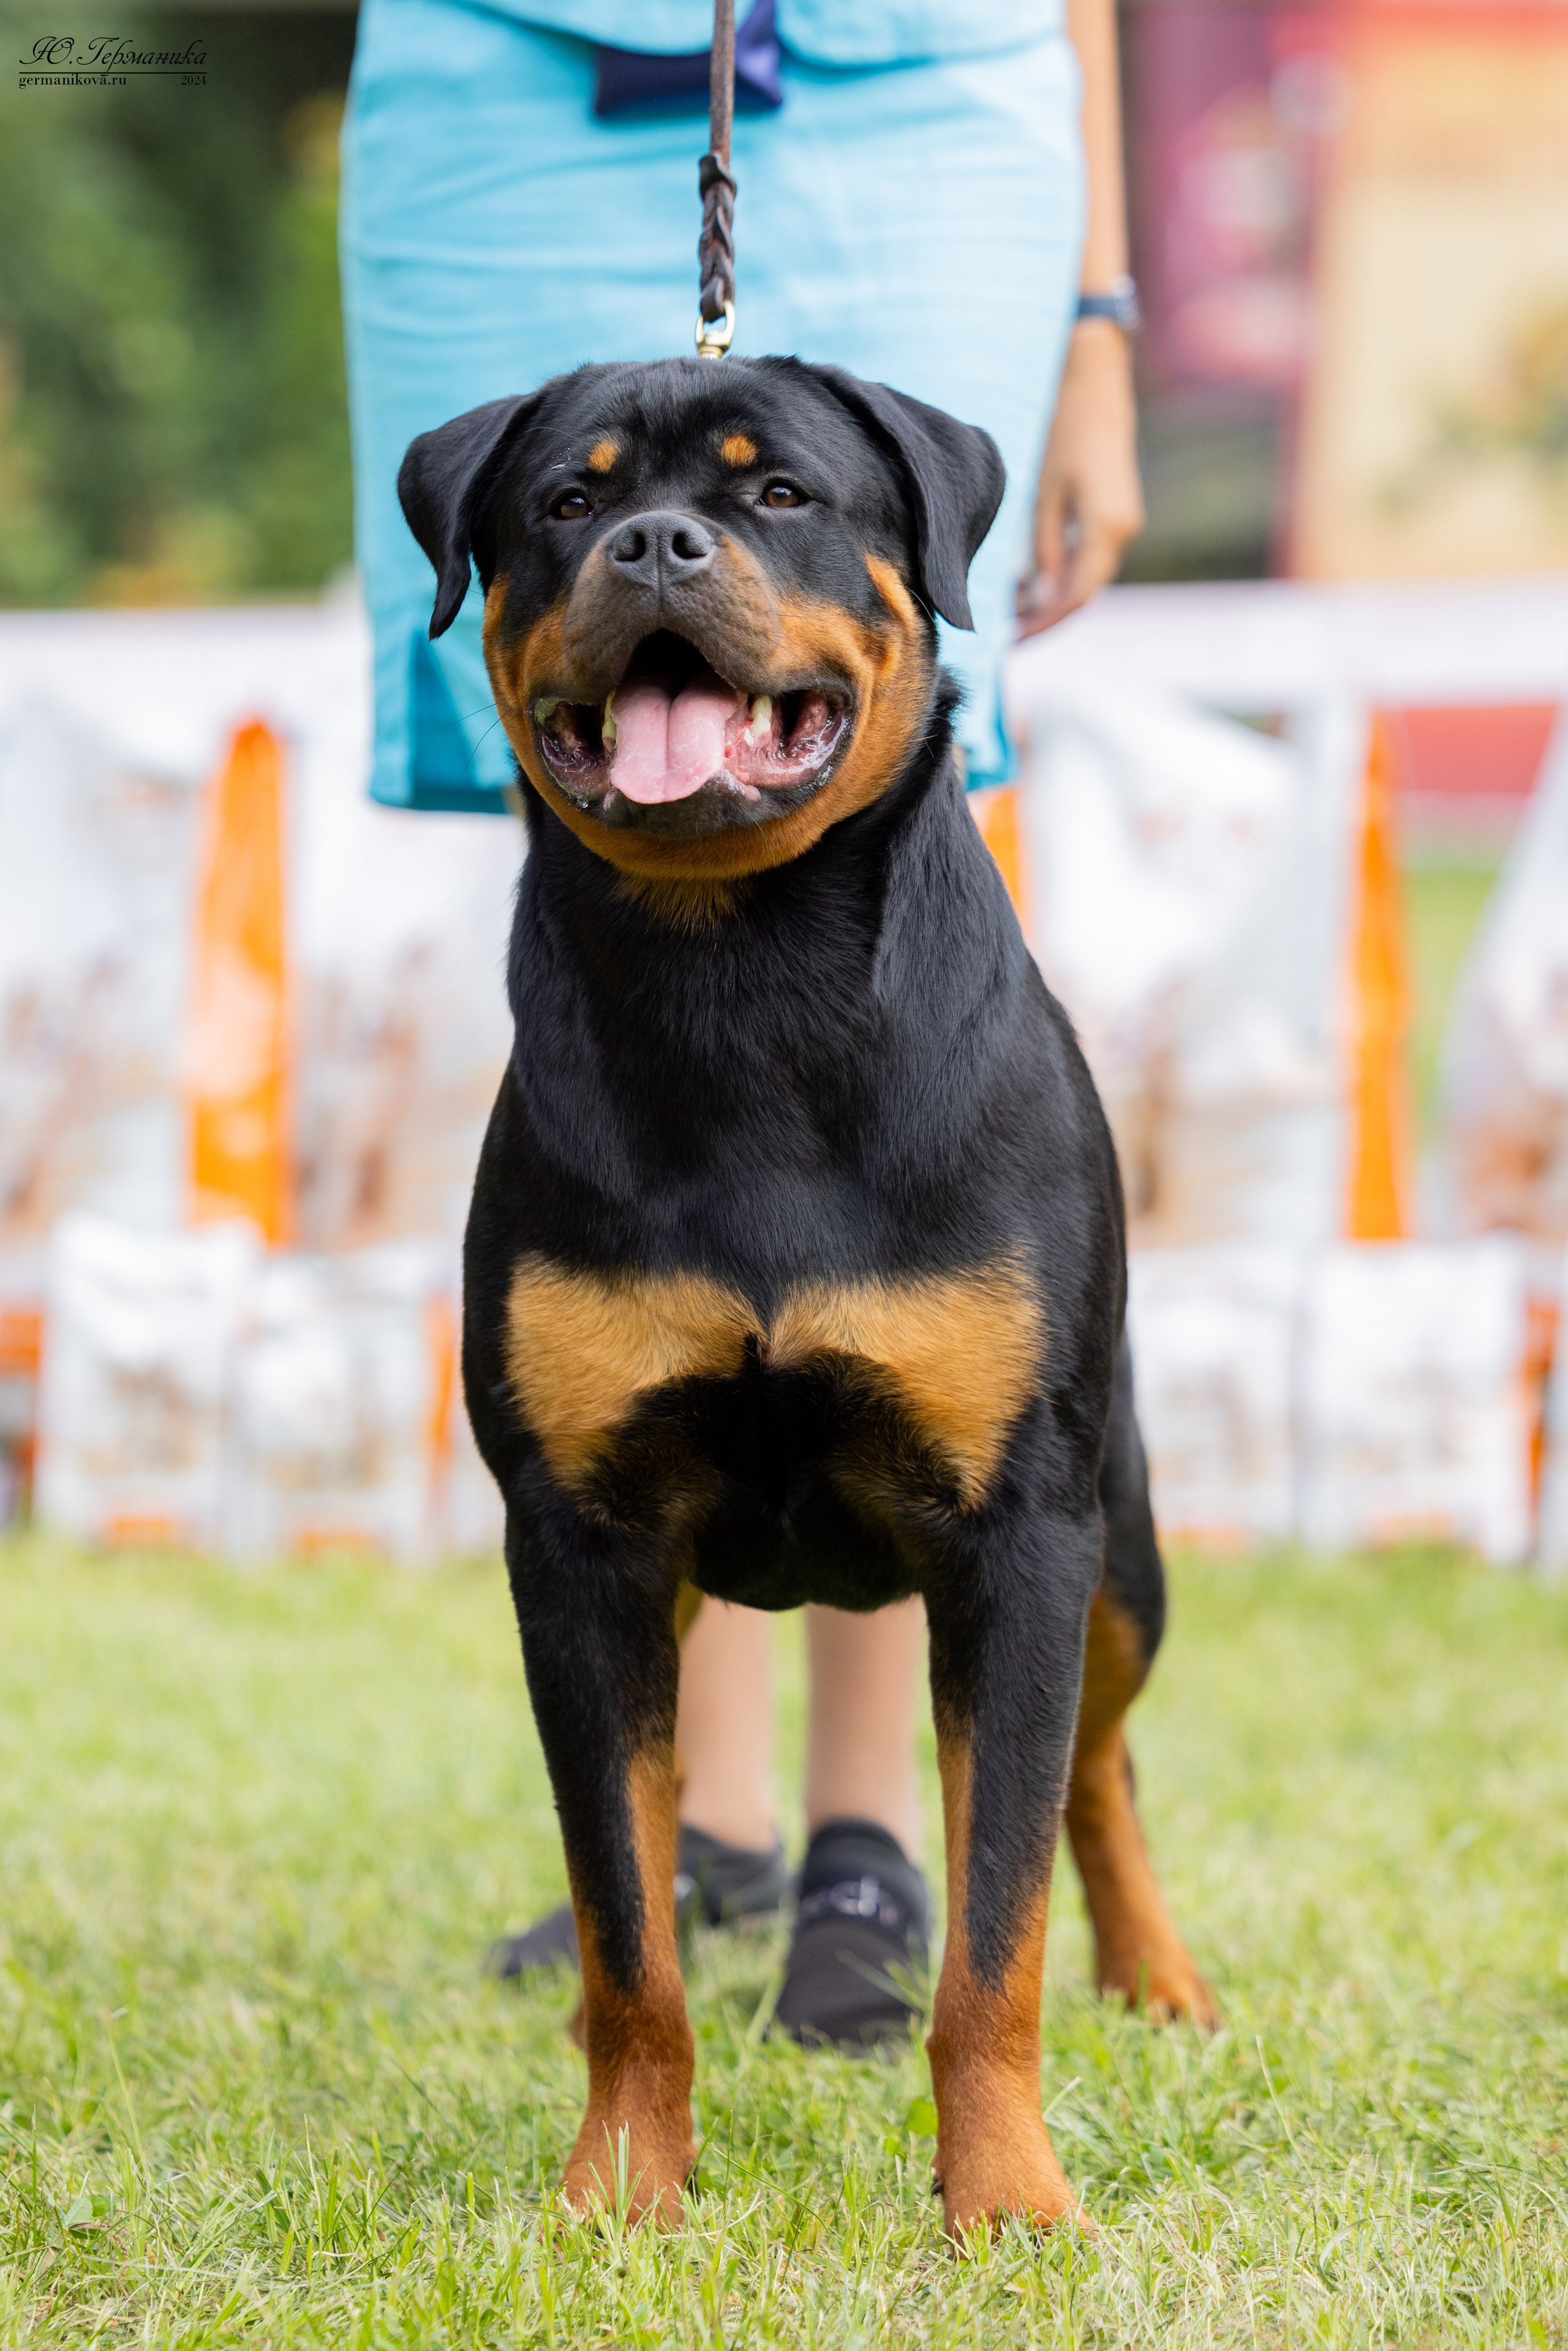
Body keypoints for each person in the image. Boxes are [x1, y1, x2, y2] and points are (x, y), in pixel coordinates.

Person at [339, 0, 1143, 2042]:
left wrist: (1106, 318)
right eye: (585, 522)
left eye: (771, 506)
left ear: (911, 569)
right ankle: (674, 1916)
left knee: (1068, 1561)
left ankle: (922, 1881)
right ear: (488, 595)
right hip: (498, 76)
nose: (666, 548)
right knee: (600, 1523)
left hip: (925, 79)